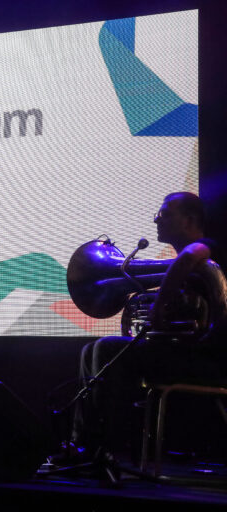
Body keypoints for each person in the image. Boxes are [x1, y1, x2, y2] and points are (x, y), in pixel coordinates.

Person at [71, 192, 227, 457]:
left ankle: (108, 449)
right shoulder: (185, 267)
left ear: (189, 220)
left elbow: (188, 257)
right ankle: (83, 443)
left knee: (109, 349)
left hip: (211, 361)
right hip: (189, 355)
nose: (156, 219)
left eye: (164, 214)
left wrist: (160, 304)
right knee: (90, 351)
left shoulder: (210, 249)